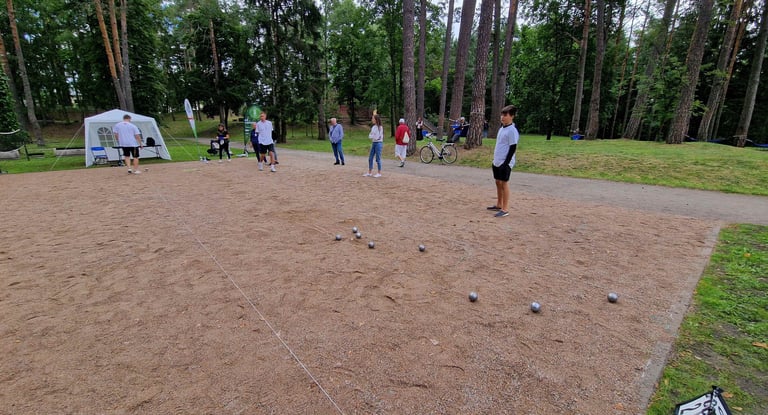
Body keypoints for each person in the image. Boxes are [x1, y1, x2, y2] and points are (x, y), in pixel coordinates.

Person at [487, 105, 519, 218]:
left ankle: (505, 209)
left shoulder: (512, 131)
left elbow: (512, 148)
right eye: (502, 114)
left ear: (512, 116)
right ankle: (499, 204)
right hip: (497, 161)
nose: (502, 117)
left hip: (505, 163)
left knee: (504, 183)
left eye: (505, 115)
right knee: (497, 182)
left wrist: (506, 163)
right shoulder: (502, 129)